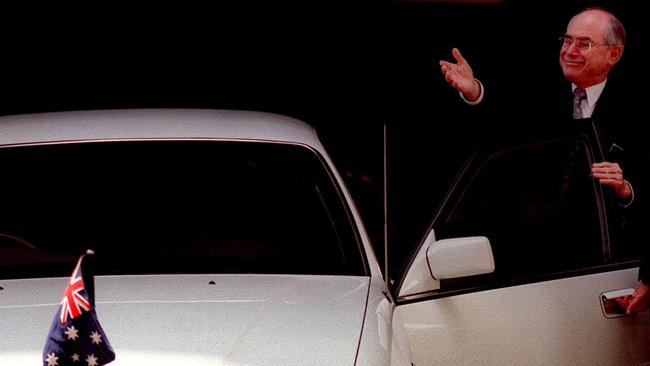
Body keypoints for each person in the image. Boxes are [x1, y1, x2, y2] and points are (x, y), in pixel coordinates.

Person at [439, 7, 650, 314]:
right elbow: (504, 120)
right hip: (539, 266)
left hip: (609, 268)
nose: (570, 51)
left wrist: (625, 189)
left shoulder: (637, 110)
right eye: (567, 41)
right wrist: (474, 91)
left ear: (614, 54)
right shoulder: (542, 93)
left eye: (584, 43)